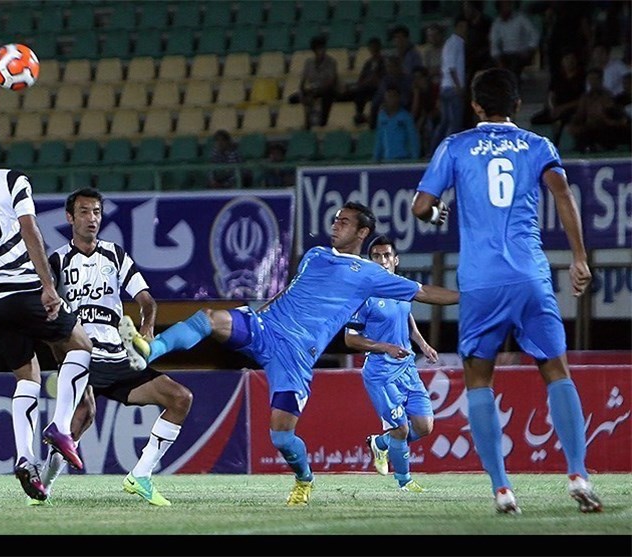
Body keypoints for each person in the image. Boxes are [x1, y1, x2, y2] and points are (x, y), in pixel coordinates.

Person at [119, 202, 460, 506]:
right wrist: (261, 312)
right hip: (266, 328)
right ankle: (150, 349)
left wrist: (468, 298)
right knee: (208, 319)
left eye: (344, 222)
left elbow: (424, 292)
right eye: (336, 219)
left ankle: (304, 479)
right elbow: (289, 292)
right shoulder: (315, 254)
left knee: (281, 436)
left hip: (295, 356)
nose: (335, 225)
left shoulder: (370, 275)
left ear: (362, 232)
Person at [411, 67, 603, 515]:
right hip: (530, 276)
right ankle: (578, 473)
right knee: (556, 370)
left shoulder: (455, 145)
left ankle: (502, 489)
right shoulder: (538, 146)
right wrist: (579, 257)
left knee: (479, 379)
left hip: (480, 282)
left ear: (475, 106)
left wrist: (437, 215)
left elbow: (421, 206)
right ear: (517, 105)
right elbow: (563, 195)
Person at [0, 112, 94, 503]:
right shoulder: (12, 180)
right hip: (22, 286)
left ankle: (25, 459)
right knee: (81, 346)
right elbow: (30, 230)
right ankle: (60, 426)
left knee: (27, 377)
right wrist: (48, 286)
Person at [41, 187, 193, 506]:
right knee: (81, 418)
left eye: (96, 212)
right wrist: (61, 354)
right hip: (83, 354)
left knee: (180, 398)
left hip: (118, 357)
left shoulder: (115, 254)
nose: (92, 218)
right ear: (70, 218)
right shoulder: (56, 260)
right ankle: (42, 488)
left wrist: (146, 328)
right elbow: (47, 312)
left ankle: (140, 475)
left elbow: (147, 301)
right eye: (84, 212)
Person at [344, 235, 438, 493]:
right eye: (376, 256)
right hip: (380, 372)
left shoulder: (403, 288)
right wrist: (386, 347)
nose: (382, 260)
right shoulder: (364, 295)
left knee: (425, 426)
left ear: (396, 260)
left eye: (387, 255)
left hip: (407, 367)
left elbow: (406, 317)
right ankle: (404, 482)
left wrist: (422, 344)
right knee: (401, 429)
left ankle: (381, 444)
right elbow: (350, 339)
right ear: (370, 261)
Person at [567, 67, 631, 153]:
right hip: (589, 128)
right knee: (582, 133)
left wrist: (606, 119)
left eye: (595, 79)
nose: (592, 82)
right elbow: (579, 115)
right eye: (590, 79)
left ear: (601, 80)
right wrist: (573, 124)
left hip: (606, 127)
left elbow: (615, 115)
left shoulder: (607, 96)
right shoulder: (585, 98)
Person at [431, 15, 467, 152]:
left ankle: (435, 149)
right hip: (452, 87)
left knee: (445, 122)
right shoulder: (455, 43)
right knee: (454, 122)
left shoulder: (449, 43)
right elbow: (451, 67)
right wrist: (458, 87)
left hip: (445, 86)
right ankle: (448, 151)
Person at [337, 37, 386, 126]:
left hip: (379, 88)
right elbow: (361, 79)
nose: (373, 50)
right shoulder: (368, 63)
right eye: (371, 47)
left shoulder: (384, 62)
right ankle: (359, 115)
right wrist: (365, 82)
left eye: (375, 47)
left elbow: (384, 78)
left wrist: (375, 80)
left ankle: (370, 118)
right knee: (353, 91)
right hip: (366, 87)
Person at [489, 0, 540, 84]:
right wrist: (498, 60)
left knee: (514, 66)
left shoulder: (520, 19)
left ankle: (513, 84)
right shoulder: (497, 24)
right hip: (506, 55)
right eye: (504, 5)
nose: (507, 7)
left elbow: (534, 34)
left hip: (521, 53)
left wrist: (530, 49)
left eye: (509, 5)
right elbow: (494, 44)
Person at [298, 34, 339, 128]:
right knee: (294, 98)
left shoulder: (331, 62)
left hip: (327, 90)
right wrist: (303, 90)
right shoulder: (308, 62)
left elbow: (331, 81)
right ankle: (306, 122)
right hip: (313, 89)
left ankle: (323, 122)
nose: (322, 51)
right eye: (319, 48)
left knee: (327, 94)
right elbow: (303, 81)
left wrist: (317, 90)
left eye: (323, 48)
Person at [373, 86, 421, 163]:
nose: (391, 99)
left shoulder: (406, 117)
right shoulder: (381, 116)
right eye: (389, 96)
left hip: (404, 159)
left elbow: (413, 139)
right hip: (387, 160)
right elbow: (379, 138)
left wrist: (414, 160)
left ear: (398, 98)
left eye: (393, 96)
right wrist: (375, 159)